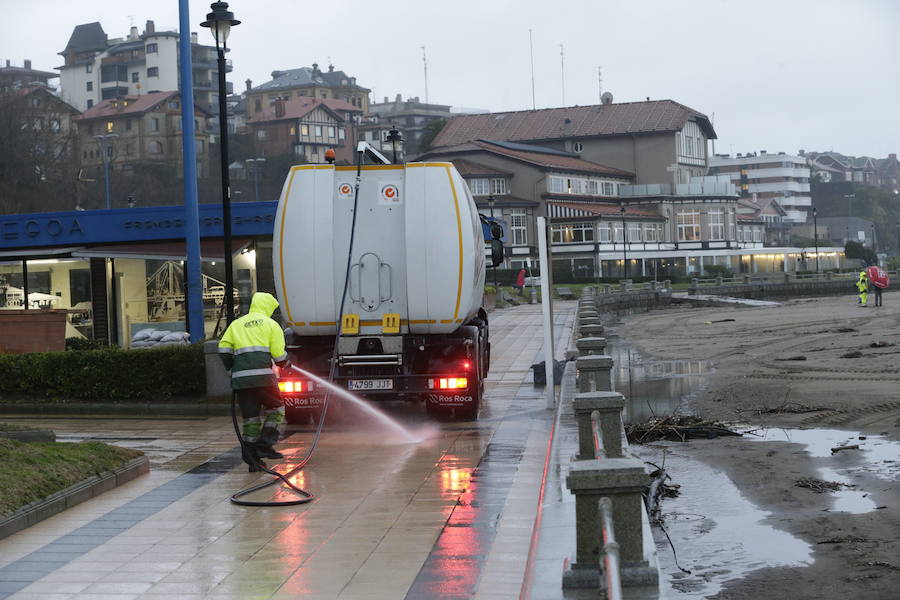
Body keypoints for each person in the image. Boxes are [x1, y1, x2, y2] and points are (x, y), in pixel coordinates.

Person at [218, 292, 291, 471]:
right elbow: (278, 354)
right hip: (264, 378)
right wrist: (286, 364)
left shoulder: (236, 324)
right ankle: (264, 445)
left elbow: (224, 349)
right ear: (267, 307)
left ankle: (252, 459)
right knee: (277, 409)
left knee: (251, 418)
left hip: (241, 381)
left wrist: (232, 371)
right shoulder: (271, 324)